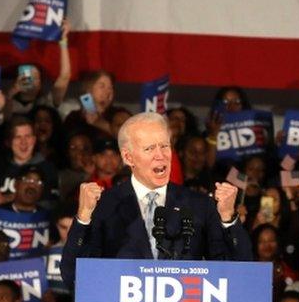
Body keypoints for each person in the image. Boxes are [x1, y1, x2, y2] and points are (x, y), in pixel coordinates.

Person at [61, 112, 252, 288]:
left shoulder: (199, 205)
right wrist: (84, 217)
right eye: (150, 148)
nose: (160, 156)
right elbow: (73, 275)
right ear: (128, 157)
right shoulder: (104, 205)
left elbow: (240, 273)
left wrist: (228, 219)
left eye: (164, 146)